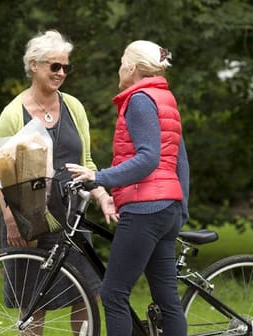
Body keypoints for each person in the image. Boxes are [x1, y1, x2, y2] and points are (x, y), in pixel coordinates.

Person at [66, 40, 190, 336]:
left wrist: (99, 178)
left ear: (132, 68)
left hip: (145, 207)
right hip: (166, 207)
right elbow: (180, 160)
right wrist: (180, 207)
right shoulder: (164, 99)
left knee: (113, 294)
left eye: (122, 62)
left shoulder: (139, 100)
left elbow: (148, 160)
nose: (119, 67)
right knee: (167, 299)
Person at [0, 29, 110, 335]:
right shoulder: (13, 113)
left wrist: (100, 194)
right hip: (29, 213)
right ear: (34, 65)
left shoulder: (74, 107)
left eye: (65, 67)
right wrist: (11, 218)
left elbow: (87, 163)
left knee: (84, 294)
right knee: (34, 301)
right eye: (54, 66)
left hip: (72, 214)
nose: (60, 73)